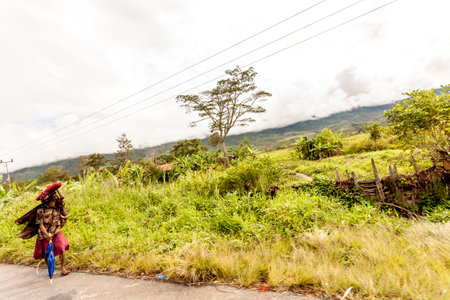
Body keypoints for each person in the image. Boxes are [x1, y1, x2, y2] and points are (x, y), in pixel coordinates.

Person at [16, 181, 70, 275]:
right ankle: (51, 270)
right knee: (47, 254)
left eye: (54, 201)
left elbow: (61, 197)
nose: (53, 203)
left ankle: (62, 268)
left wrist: (56, 188)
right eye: (51, 201)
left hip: (56, 231)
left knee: (61, 248)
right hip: (44, 234)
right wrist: (46, 235)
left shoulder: (57, 207)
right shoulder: (41, 211)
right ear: (47, 201)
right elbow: (40, 225)